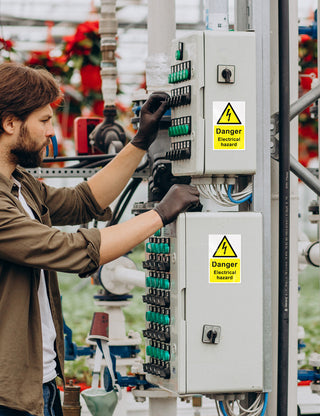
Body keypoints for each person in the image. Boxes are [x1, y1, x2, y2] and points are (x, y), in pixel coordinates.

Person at [0, 62, 199, 416]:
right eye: (44, 121)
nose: (51, 131)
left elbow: (82, 201)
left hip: (38, 383)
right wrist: (160, 215)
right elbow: (68, 250)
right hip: (8, 394)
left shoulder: (19, 183)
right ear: (10, 123)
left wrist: (140, 142)